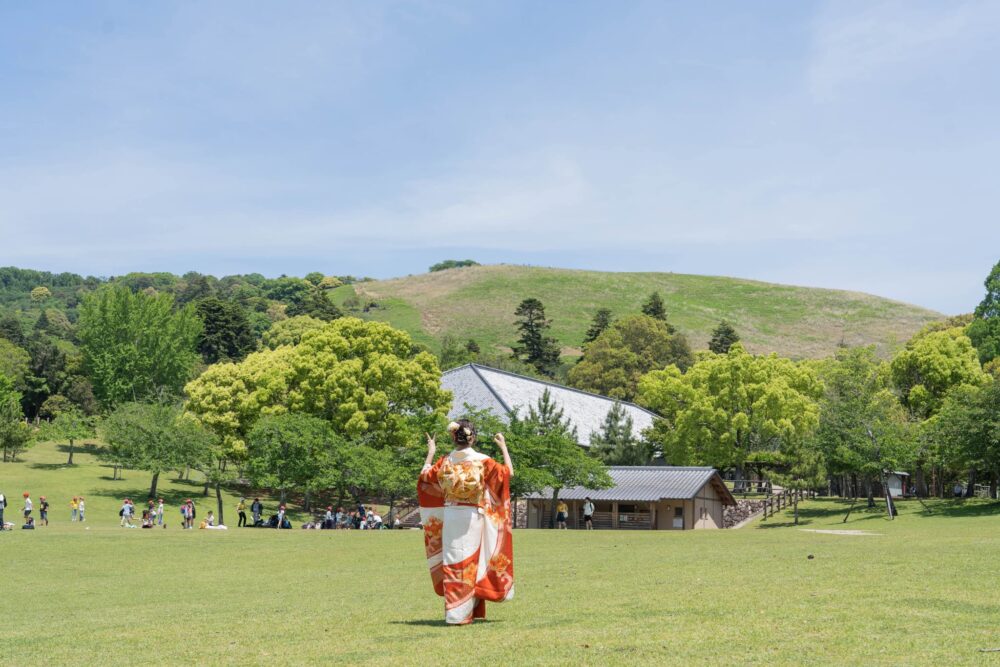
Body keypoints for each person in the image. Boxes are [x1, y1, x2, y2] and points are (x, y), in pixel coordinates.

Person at [417, 419, 515, 625]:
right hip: (473, 515)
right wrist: (504, 447)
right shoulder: (483, 460)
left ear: (453, 437)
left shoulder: (445, 461)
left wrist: (431, 451)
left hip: (451, 514)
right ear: (473, 438)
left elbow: (425, 477)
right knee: (472, 561)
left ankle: (457, 613)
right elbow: (508, 473)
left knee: (453, 560)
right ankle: (466, 611)